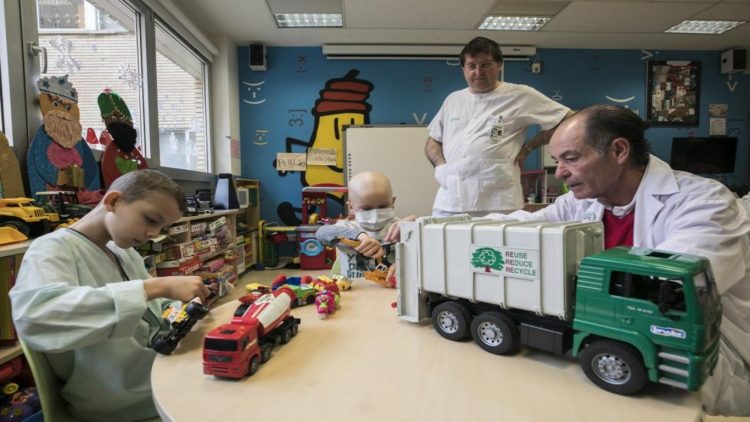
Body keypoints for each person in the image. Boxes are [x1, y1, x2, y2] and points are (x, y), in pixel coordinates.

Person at [486, 104, 750, 417]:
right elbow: (522, 224)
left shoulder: (703, 202)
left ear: (619, 151)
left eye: (571, 158)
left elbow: (667, 291)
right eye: (557, 161)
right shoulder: (581, 202)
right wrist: (430, 227)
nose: (559, 172)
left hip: (697, 350)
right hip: (614, 341)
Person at [10, 169, 211, 421]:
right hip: (118, 395)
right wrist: (156, 287)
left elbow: (153, 308)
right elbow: (37, 317)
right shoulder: (51, 249)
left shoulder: (121, 250)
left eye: (163, 227)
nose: (154, 233)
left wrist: (181, 308)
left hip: (150, 370)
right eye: (150, 219)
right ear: (113, 201)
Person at [425, 36, 573, 217]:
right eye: (472, 66)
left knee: (496, 246)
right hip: (450, 201)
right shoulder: (453, 100)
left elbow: (568, 120)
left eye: (485, 65)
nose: (478, 72)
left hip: (498, 201)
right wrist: (441, 167)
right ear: (463, 69)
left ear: (499, 65)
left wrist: (529, 147)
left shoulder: (519, 95)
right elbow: (433, 141)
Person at [315, 171, 413, 280]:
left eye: (383, 206)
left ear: (392, 202)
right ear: (351, 207)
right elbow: (321, 233)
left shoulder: (400, 227)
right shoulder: (346, 227)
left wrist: (415, 223)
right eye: (367, 208)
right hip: (354, 290)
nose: (375, 214)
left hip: (390, 290)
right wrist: (359, 236)